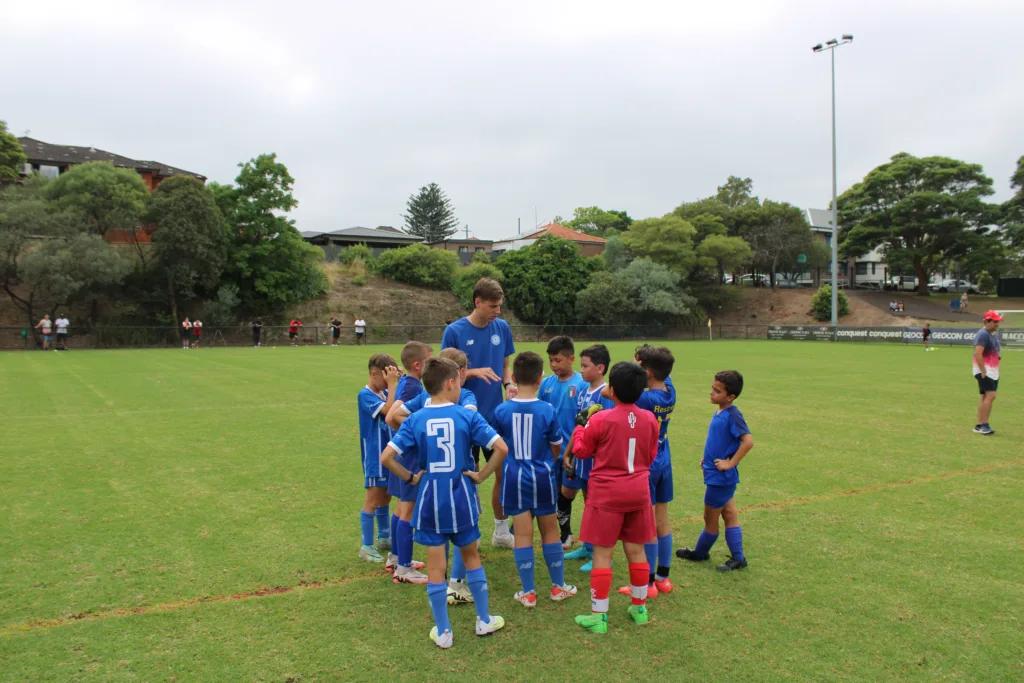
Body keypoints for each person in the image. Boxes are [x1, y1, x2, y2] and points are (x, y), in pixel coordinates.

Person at [381, 356, 509, 649]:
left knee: (436, 567)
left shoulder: (415, 419)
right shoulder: (467, 415)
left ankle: (444, 632)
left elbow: (386, 458)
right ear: (451, 383)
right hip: (461, 497)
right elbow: (501, 447)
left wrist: (412, 479)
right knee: (471, 556)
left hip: (429, 500)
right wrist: (480, 475)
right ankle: (484, 620)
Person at [570, 361, 660, 634]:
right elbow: (651, 455)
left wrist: (579, 427)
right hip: (638, 491)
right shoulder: (649, 419)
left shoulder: (600, 419)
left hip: (607, 493)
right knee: (636, 550)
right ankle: (639, 607)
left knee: (602, 552)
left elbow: (582, 451)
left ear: (613, 388)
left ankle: (599, 616)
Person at [388, 347, 479, 605]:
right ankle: (457, 585)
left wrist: (419, 438)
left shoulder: (425, 399)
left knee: (439, 530)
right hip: (461, 476)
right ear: (458, 374)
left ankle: (442, 582)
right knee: (465, 531)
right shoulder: (466, 395)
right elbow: (472, 420)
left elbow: (394, 416)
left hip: (431, 479)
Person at [493, 351, 577, 608]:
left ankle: (528, 592)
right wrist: (543, 460)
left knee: (522, 534)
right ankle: (558, 586)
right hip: (542, 477)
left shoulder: (502, 410)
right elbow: (556, 446)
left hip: (515, 478)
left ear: (515, 378)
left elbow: (497, 444)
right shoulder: (547, 410)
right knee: (550, 530)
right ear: (541, 378)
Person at [441, 278, 517, 549]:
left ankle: (501, 531)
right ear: (478, 302)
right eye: (493, 306)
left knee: (503, 471)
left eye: (500, 306)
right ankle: (466, 531)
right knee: (465, 476)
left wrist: (508, 383)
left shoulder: (502, 328)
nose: (497, 311)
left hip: (493, 415)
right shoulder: (454, 331)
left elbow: (505, 364)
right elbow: (444, 375)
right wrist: (473, 372)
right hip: (463, 416)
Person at [677, 370, 755, 572]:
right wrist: (709, 458)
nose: (711, 392)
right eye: (712, 388)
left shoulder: (733, 414)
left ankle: (700, 553)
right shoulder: (721, 411)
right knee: (729, 514)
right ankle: (738, 558)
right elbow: (721, 441)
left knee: (709, 519)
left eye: (717, 391)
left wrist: (730, 463)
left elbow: (748, 442)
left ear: (731, 397)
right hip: (719, 475)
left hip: (720, 478)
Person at [619, 345, 676, 598]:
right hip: (665, 459)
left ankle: (649, 583)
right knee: (662, 519)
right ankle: (664, 577)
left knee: (648, 525)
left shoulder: (645, 399)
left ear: (648, 372)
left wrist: (632, 369)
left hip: (649, 463)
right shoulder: (669, 391)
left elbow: (617, 391)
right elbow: (663, 369)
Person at [383, 341, 434, 583]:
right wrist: (418, 428)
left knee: (400, 508)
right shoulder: (414, 387)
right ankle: (404, 568)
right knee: (407, 511)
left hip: (400, 452)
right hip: (410, 456)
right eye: (430, 359)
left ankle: (396, 557)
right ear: (418, 365)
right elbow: (392, 417)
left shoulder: (406, 382)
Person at [563, 344, 615, 571]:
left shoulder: (606, 394)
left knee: (599, 507)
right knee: (588, 503)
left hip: (598, 462)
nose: (581, 370)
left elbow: (608, 431)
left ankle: (604, 555)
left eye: (586, 366)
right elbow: (580, 425)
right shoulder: (584, 391)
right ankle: (588, 546)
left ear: (601, 368)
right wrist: (569, 451)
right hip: (582, 458)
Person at [539, 335, 588, 550]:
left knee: (567, 493)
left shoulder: (581, 384)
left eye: (558, 360)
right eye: (551, 360)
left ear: (571, 359)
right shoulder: (547, 384)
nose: (553, 365)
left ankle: (584, 539)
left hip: (574, 451)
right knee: (554, 492)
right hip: (551, 451)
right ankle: (566, 534)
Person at [357, 353, 402, 562]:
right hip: (375, 456)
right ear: (374, 374)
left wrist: (397, 383)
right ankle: (366, 546)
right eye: (386, 378)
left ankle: (384, 537)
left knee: (386, 497)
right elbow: (389, 412)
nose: (388, 383)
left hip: (389, 455)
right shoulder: (365, 395)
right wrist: (392, 386)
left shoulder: (385, 391)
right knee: (373, 500)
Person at [972, 311, 1003, 435]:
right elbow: (978, 353)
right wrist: (983, 370)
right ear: (986, 321)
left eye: (998, 321)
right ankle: (985, 425)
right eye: (994, 321)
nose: (997, 324)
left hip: (993, 369)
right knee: (991, 396)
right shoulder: (983, 334)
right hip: (985, 370)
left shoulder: (993, 334)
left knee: (985, 396)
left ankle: (980, 424)